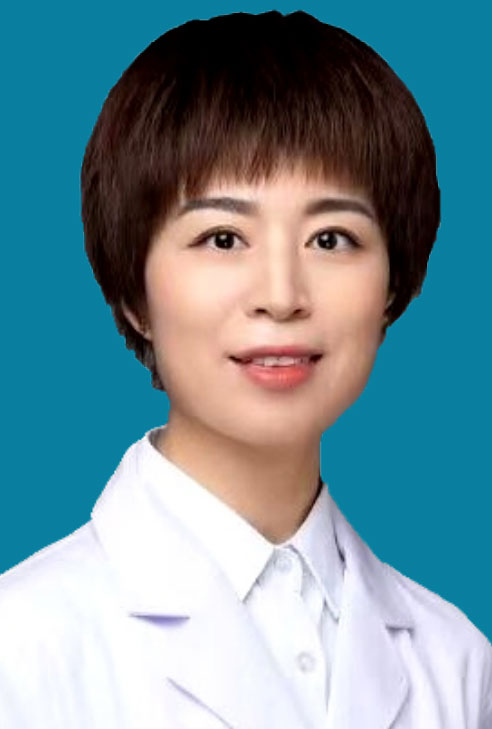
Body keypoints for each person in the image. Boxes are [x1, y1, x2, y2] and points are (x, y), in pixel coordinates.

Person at [0, 10, 490, 729]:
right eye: (223, 238)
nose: (281, 296)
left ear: (392, 286)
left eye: (332, 238)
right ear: (134, 294)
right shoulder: (22, 648)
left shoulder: (457, 664)